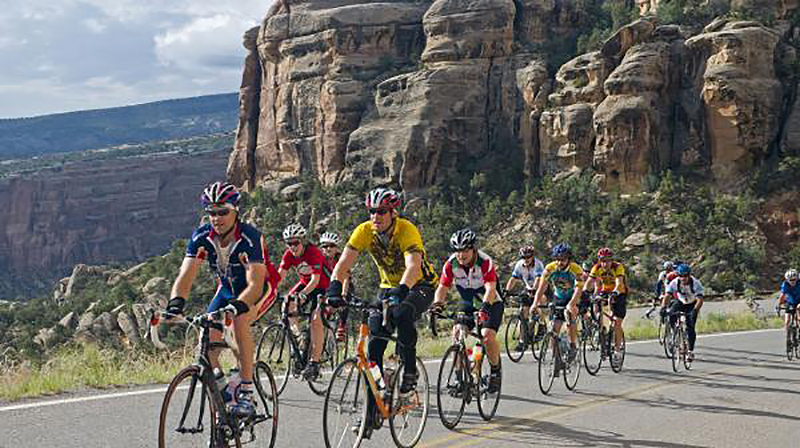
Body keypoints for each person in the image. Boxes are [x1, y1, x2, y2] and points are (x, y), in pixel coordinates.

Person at [327, 187, 437, 438]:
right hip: (388, 287)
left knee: (401, 314)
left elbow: (413, 266)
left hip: (419, 284)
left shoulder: (406, 229)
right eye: (371, 212)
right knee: (372, 351)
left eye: (381, 212)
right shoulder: (365, 231)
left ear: (393, 212)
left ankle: (409, 369)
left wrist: (402, 290)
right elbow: (344, 263)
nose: (375, 216)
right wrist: (334, 290)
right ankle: (370, 412)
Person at [167, 181, 275, 417]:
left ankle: (246, 391)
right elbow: (185, 275)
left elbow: (256, 283)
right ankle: (224, 389)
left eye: (222, 212)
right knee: (206, 341)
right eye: (211, 213)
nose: (216, 218)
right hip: (226, 290)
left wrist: (238, 306)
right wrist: (176, 303)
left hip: (257, 291)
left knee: (240, 321)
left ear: (236, 210)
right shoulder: (202, 237)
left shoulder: (250, 237)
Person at [431, 229, 503, 393]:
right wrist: (437, 305)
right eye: (457, 251)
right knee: (457, 333)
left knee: (486, 336)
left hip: (490, 301)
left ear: (473, 249)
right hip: (469, 303)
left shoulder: (485, 261)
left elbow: (491, 288)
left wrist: (485, 308)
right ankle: (459, 378)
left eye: (465, 251)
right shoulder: (451, 264)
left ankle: (495, 371)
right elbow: (443, 287)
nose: (461, 255)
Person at [276, 223, 331, 381]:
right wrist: (268, 290)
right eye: (289, 243)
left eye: (295, 243)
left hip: (322, 286)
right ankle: (299, 337)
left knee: (315, 319)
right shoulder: (288, 255)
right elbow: (280, 276)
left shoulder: (313, 252)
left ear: (303, 241)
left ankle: (314, 362)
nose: (292, 247)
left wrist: (302, 295)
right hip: (305, 283)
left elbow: (316, 279)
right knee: (286, 304)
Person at [533, 243, 584, 362]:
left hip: (573, 296)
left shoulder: (576, 269)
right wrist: (535, 303)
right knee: (553, 328)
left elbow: (579, 288)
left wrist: (572, 304)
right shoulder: (550, 268)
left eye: (563, 259)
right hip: (559, 297)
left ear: (568, 259)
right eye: (557, 259)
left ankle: (572, 345)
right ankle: (557, 359)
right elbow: (542, 287)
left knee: (569, 315)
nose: (560, 262)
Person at [584, 247, 628, 357]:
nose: (605, 263)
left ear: (611, 260)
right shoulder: (596, 268)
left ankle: (617, 348)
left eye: (608, 260)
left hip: (619, 292)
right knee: (595, 306)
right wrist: (585, 291)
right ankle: (600, 330)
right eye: (603, 261)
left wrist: (616, 292)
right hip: (605, 291)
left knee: (617, 322)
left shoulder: (618, 267)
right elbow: (589, 282)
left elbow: (619, 282)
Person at [504, 246, 544, 351]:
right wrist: (507, 291)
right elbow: (513, 279)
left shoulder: (538, 264)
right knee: (523, 314)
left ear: (532, 256)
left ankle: (542, 324)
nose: (526, 259)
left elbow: (539, 279)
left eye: (528, 257)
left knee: (538, 303)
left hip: (541, 287)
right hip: (528, 289)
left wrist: (534, 289)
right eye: (524, 257)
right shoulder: (519, 265)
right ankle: (523, 341)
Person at [663, 263, 704, 362]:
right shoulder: (674, 282)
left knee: (690, 326)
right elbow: (667, 295)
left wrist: (695, 311)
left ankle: (690, 351)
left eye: (685, 276)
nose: (683, 278)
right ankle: (675, 333)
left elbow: (700, 300)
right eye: (681, 276)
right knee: (671, 314)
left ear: (689, 275)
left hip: (692, 304)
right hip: (681, 302)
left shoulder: (695, 283)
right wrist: (663, 307)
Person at [319, 231, 351, 342]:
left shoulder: (341, 260)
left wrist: (343, 294)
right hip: (326, 286)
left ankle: (342, 325)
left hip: (341, 284)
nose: (328, 249)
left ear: (336, 248)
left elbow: (346, 279)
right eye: (325, 246)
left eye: (332, 246)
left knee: (345, 299)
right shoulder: (319, 260)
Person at [778, 269, 800, 333]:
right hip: (790, 302)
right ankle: (787, 333)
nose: (792, 282)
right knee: (787, 320)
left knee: (798, 314)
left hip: (799, 301)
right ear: (787, 280)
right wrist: (779, 305)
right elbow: (782, 296)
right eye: (790, 280)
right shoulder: (785, 284)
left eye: (794, 280)